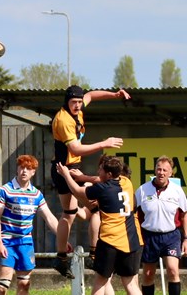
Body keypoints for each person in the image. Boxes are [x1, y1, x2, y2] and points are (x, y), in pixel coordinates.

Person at [56, 156, 150, 295]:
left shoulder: (102, 189)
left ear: (108, 174)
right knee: (131, 283)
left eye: (100, 169)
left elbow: (77, 191)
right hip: (132, 241)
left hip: (110, 241)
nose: (97, 172)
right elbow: (97, 179)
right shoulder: (127, 183)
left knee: (100, 282)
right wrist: (84, 177)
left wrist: (66, 174)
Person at [50, 85, 131, 278]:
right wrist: (104, 143)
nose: (78, 105)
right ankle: (93, 255)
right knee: (94, 210)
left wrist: (114, 95)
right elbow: (76, 149)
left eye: (79, 102)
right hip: (65, 169)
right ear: (67, 102)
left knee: (70, 213)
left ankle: (61, 258)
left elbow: (91, 95)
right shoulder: (63, 120)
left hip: (68, 168)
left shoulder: (77, 109)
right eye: (74, 102)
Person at [0, 155, 61, 295]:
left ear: (33, 172)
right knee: (3, 285)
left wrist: (63, 238)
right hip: (7, 242)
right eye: (21, 167)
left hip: (25, 244)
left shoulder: (36, 194)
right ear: (17, 169)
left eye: (28, 168)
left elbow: (49, 218)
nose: (24, 171)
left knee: (24, 284)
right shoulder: (5, 190)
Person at [135, 156, 187, 295]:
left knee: (173, 270)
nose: (161, 173)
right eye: (159, 169)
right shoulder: (143, 190)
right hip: (149, 235)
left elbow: (185, 215)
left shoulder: (177, 191)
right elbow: (134, 214)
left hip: (171, 235)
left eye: (165, 170)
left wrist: (186, 239)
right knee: (148, 274)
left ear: (171, 173)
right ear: (155, 170)